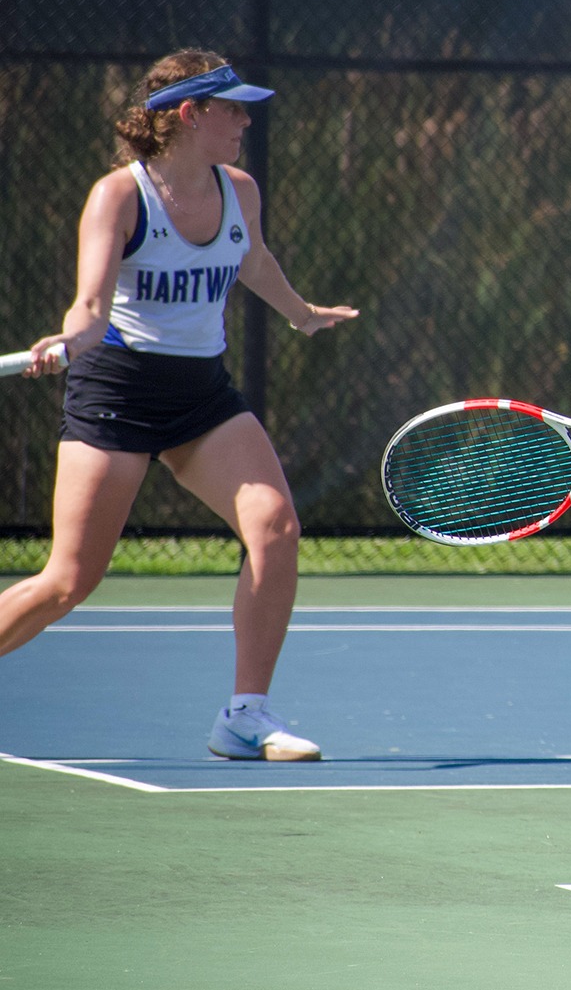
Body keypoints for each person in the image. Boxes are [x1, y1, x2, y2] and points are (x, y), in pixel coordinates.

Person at [1, 49, 358, 761]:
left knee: (276, 527)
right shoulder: (119, 197)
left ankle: (244, 716)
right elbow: (93, 305)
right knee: (69, 579)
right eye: (231, 109)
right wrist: (67, 339)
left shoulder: (240, 189)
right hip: (118, 393)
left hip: (202, 397)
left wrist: (303, 312)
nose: (244, 120)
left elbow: (251, 258)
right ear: (189, 115)